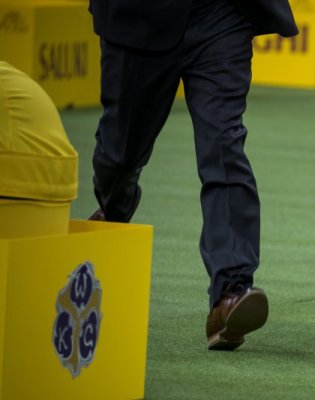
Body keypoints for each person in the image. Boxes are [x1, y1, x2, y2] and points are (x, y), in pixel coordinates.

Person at [87, 0, 297, 350]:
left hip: (223, 14)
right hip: (139, 18)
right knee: (119, 156)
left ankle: (231, 293)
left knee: (224, 146)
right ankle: (115, 207)